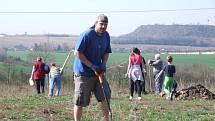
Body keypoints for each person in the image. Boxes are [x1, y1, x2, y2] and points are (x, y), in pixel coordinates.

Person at [73, 14, 112, 121]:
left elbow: (106, 52)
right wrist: (91, 65)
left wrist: (103, 64)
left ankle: (106, 119)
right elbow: (77, 53)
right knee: (80, 101)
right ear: (96, 23)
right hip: (83, 73)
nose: (103, 27)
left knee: (105, 96)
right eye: (101, 24)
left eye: (106, 25)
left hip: (98, 72)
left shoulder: (106, 36)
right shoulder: (87, 35)